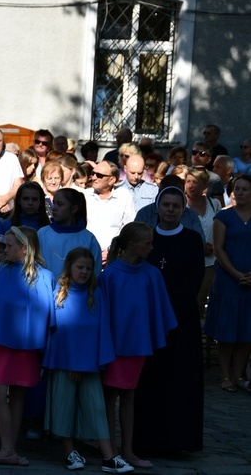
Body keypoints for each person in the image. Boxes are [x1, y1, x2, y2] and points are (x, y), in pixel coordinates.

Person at [43, 248, 132, 473]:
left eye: (88, 269)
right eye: (79, 267)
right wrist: (72, 362)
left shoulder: (96, 295)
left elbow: (99, 331)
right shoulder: (59, 294)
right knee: (64, 407)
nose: (84, 272)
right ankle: (69, 452)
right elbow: (60, 332)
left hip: (89, 362)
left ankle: (108, 456)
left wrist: (85, 363)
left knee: (96, 408)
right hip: (64, 362)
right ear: (70, 268)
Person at [99, 222, 177, 469]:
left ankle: (128, 450)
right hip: (114, 346)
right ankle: (110, 450)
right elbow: (102, 314)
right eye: (148, 243)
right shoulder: (110, 275)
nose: (152, 247)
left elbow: (159, 309)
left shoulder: (151, 273)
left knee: (130, 395)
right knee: (109, 396)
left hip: (137, 345)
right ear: (132, 245)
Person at [133, 187, 204, 453]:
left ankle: (178, 441)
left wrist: (169, 309)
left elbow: (193, 280)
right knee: (149, 381)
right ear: (158, 207)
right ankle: (146, 439)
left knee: (179, 381)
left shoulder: (192, 240)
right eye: (166, 205)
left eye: (176, 206)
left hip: (180, 320)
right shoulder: (145, 239)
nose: (171, 210)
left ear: (182, 209)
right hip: (148, 322)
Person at [0, 226, 54, 467]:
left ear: (24, 248)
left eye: (9, 246)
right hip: (0, 341)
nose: (4, 250)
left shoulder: (44, 275)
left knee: (19, 393)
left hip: (27, 346)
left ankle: (9, 449)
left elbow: (47, 314)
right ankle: (7, 449)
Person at [205, 174, 251, 392]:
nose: (239, 193)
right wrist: (236, 274)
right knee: (227, 332)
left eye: (245, 189)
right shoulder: (223, 217)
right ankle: (225, 375)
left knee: (246, 331)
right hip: (228, 281)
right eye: (237, 189)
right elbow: (219, 249)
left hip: (250, 283)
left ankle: (239, 375)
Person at [38, 188, 102, 278]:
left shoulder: (88, 239)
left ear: (74, 209)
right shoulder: (42, 234)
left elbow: (95, 275)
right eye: (54, 203)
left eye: (60, 204)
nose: (54, 208)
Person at [185, 167, 221, 315]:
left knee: (202, 303)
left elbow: (221, 229)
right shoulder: (180, 205)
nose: (190, 185)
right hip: (186, 262)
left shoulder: (214, 204)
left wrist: (217, 246)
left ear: (205, 185)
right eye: (188, 181)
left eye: (195, 182)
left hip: (210, 263)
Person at [84, 160, 135, 262]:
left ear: (111, 180)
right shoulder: (85, 196)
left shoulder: (124, 196)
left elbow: (128, 228)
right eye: (93, 173)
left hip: (115, 258)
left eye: (99, 175)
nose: (94, 177)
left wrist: (112, 251)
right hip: (87, 257)